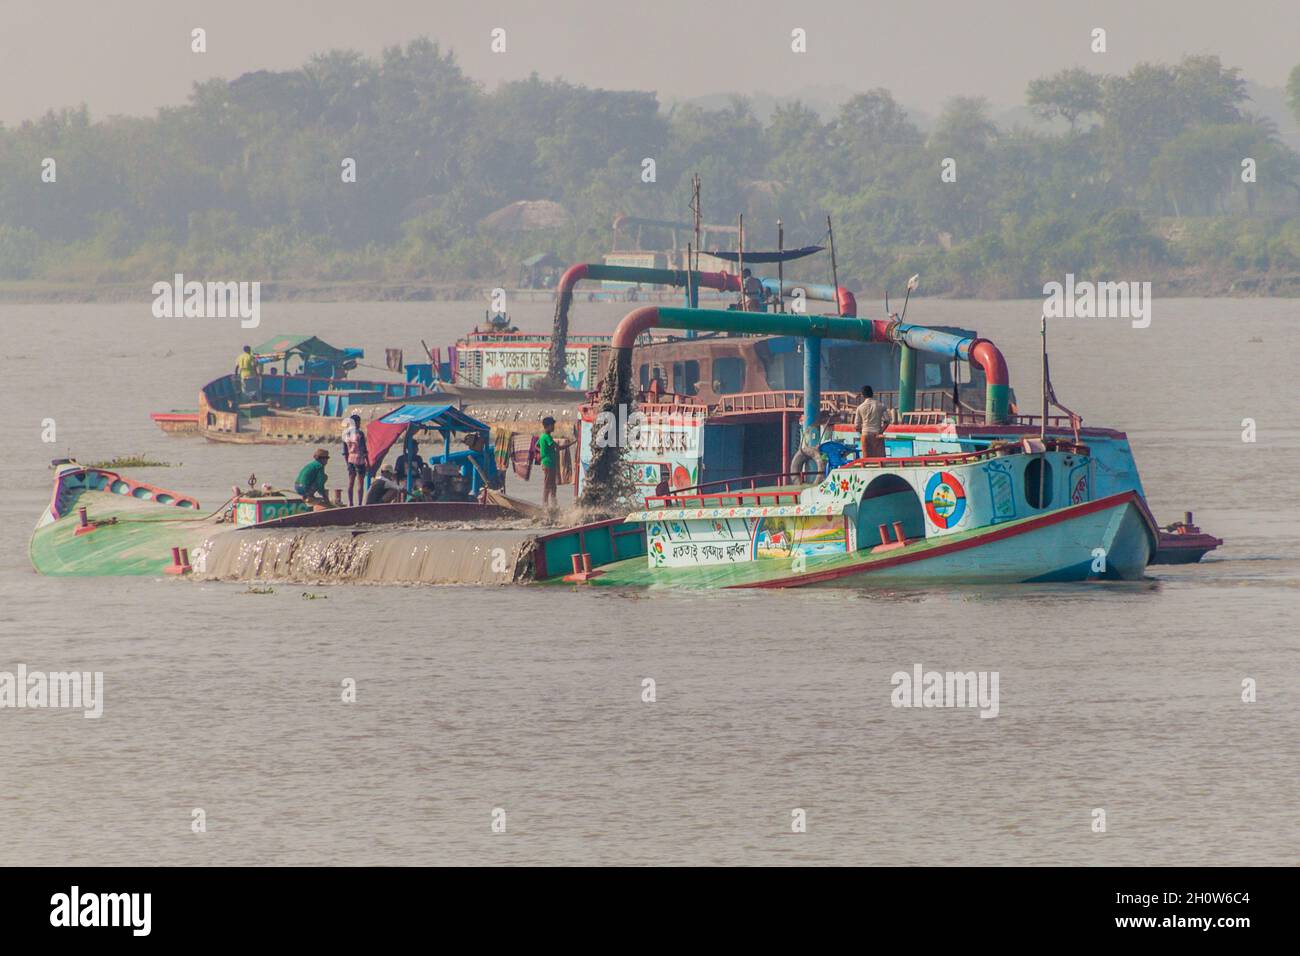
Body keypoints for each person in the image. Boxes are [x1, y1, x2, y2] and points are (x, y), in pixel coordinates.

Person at [537, 416, 574, 509]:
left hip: (549, 463)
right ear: (548, 426)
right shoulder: (547, 437)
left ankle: (553, 504)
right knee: (548, 484)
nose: (554, 427)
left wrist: (543, 453)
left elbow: (536, 446)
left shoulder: (542, 436)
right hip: (549, 464)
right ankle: (545, 505)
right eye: (552, 425)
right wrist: (573, 443)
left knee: (553, 485)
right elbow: (558, 447)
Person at [854, 385, 891, 458]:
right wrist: (881, 431)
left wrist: (862, 432)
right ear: (872, 393)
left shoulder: (860, 408)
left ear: (863, 395)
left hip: (865, 435)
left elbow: (856, 426)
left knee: (867, 460)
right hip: (877, 434)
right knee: (880, 459)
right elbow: (887, 420)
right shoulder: (880, 405)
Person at [789, 411, 829, 478]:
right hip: (807, 451)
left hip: (819, 452)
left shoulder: (820, 429)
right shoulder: (805, 430)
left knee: (822, 461)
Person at [341, 414, 369, 506]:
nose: (359, 424)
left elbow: (345, 451)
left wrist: (347, 463)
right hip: (359, 459)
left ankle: (351, 503)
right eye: (359, 422)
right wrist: (367, 462)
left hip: (350, 460)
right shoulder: (359, 433)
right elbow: (364, 450)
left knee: (351, 482)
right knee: (360, 483)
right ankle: (360, 504)